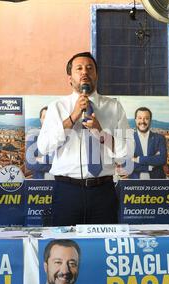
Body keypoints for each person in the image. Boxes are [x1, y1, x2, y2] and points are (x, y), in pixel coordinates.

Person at [37, 52, 134, 226]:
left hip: (103, 192)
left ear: (96, 75)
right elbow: (43, 147)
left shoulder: (114, 107)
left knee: (102, 248)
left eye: (90, 68)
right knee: (66, 247)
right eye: (79, 68)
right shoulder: (57, 107)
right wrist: (72, 117)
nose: (84, 72)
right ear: (70, 79)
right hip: (67, 191)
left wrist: (100, 131)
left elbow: (126, 153)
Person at [129, 107, 167, 179]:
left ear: (150, 120)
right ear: (135, 120)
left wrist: (138, 159)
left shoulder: (159, 138)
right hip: (134, 183)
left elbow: (162, 159)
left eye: (146, 118)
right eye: (140, 118)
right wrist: (150, 166)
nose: (143, 121)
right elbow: (127, 164)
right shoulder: (129, 139)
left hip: (157, 182)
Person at [25, 106, 53, 179]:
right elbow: (30, 163)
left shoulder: (63, 136)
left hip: (60, 184)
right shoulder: (33, 136)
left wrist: (41, 159)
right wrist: (56, 166)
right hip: (40, 184)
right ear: (40, 119)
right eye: (44, 117)